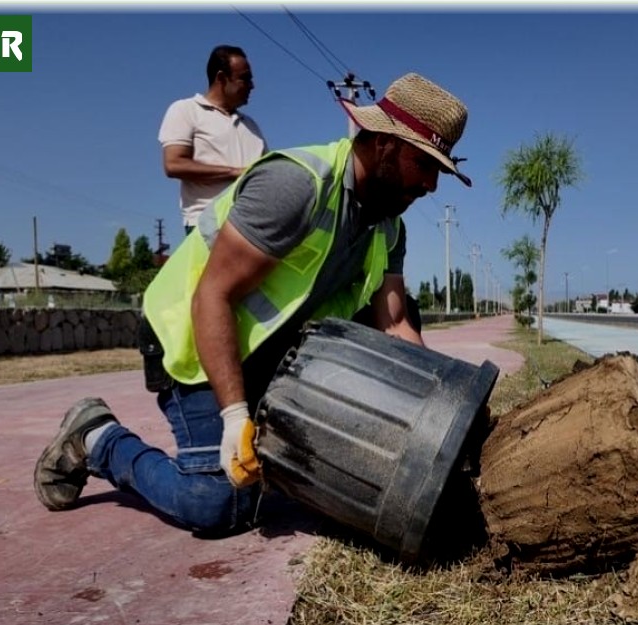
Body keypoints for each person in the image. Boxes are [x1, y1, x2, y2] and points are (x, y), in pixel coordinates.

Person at [34, 72, 470, 535]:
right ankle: (97, 436)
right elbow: (212, 295)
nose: (430, 185)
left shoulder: (388, 225)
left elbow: (396, 324)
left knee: (402, 328)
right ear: (384, 142)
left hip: (268, 355)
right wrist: (235, 416)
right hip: (192, 341)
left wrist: (443, 416)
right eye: (423, 164)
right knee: (218, 505)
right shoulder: (296, 186)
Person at [158, 44, 268, 234]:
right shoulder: (185, 110)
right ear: (221, 78)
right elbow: (174, 164)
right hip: (210, 223)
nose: (252, 85)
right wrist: (236, 172)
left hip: (254, 226)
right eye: (245, 78)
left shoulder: (251, 125)